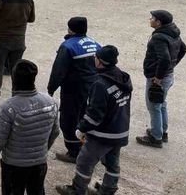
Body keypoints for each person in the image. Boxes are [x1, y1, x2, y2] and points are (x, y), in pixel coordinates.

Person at [55, 45, 132, 195]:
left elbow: (95, 115)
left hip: (103, 134)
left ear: (100, 61)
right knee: (112, 162)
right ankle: (108, 189)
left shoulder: (100, 84)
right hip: (120, 130)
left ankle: (77, 190)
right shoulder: (122, 77)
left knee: (84, 161)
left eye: (95, 57)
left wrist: (82, 128)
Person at [0, 60, 59, 195]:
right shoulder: (50, 102)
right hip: (40, 163)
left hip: (14, 166)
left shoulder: (9, 107)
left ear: (14, 79)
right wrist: (42, 150)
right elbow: (55, 132)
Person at [47, 17, 101, 163]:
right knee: (85, 117)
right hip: (94, 88)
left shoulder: (68, 46)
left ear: (70, 29)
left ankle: (74, 151)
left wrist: (51, 88)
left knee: (68, 120)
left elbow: (58, 70)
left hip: (73, 89)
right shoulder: (96, 44)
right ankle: (85, 145)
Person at [136, 10, 186, 148]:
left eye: (152, 18)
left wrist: (158, 77)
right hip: (168, 76)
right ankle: (162, 131)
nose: (150, 19)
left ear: (158, 22)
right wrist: (172, 65)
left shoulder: (159, 37)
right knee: (161, 104)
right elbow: (183, 49)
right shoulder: (173, 32)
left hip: (158, 78)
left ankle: (155, 137)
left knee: (153, 106)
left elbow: (164, 58)